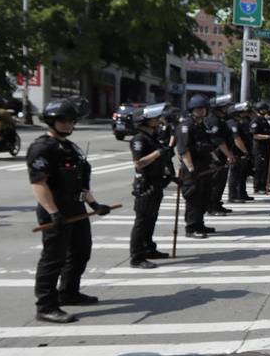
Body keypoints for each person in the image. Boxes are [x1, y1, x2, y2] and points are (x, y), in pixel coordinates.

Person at [28, 97, 109, 324]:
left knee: (81, 251)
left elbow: (82, 183)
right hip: (56, 211)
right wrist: (54, 213)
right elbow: (39, 184)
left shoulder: (71, 148)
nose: (67, 125)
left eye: (71, 121)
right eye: (62, 120)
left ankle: (68, 292)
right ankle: (45, 305)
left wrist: (94, 204)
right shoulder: (42, 148)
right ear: (50, 121)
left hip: (77, 209)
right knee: (53, 259)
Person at [128, 103, 173, 269]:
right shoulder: (139, 139)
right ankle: (137, 257)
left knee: (151, 219)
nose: (158, 120)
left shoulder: (153, 137)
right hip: (145, 185)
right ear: (144, 121)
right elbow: (138, 163)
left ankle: (148, 249)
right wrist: (158, 153)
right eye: (154, 118)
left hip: (156, 182)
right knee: (142, 221)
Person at [176, 94, 216, 239]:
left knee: (204, 197)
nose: (201, 111)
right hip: (192, 169)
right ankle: (191, 227)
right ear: (192, 109)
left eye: (203, 108)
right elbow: (184, 149)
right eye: (198, 109)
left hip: (204, 167)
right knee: (193, 198)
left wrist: (214, 161)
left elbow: (209, 146)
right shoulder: (186, 126)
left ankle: (200, 223)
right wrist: (191, 168)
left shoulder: (202, 124)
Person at [205, 95, 237, 217]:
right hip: (217, 155)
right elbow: (218, 140)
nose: (227, 108)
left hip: (223, 154)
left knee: (221, 182)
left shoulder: (221, 119)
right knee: (216, 182)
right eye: (225, 106)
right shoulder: (213, 120)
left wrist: (230, 152)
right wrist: (228, 154)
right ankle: (212, 207)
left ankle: (217, 204)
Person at [227, 102, 254, 203]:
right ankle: (233, 196)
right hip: (236, 153)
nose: (245, 113)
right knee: (234, 175)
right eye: (242, 112)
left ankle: (241, 193)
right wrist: (246, 152)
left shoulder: (240, 123)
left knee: (242, 175)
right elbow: (237, 140)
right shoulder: (232, 124)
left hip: (241, 153)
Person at [252, 102, 270, 194]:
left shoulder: (264, 120)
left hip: (266, 147)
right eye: (264, 109)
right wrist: (267, 137)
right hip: (259, 148)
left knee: (265, 167)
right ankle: (257, 187)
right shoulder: (256, 121)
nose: (266, 111)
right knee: (259, 168)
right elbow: (255, 135)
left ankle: (263, 185)